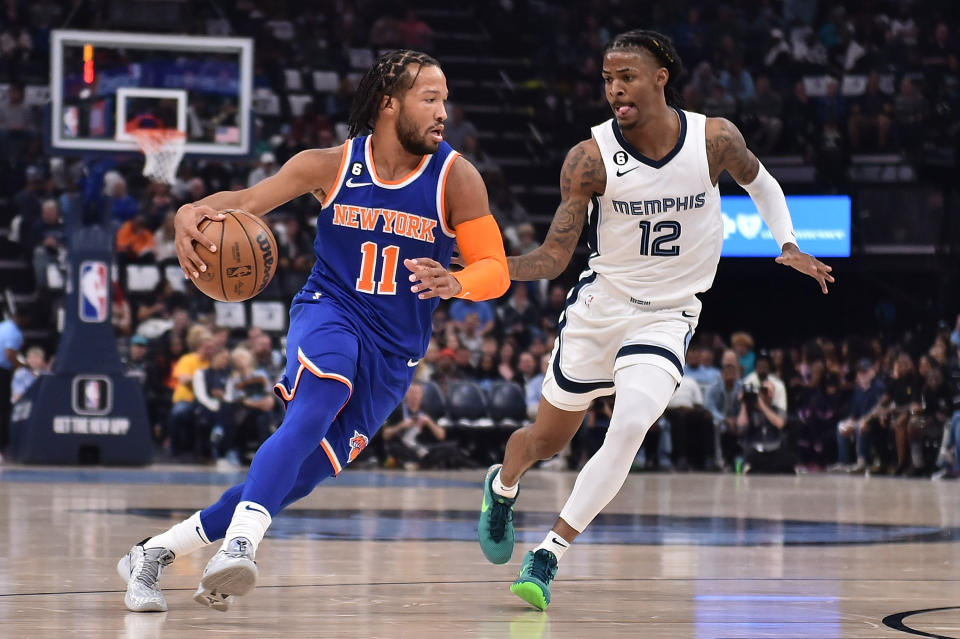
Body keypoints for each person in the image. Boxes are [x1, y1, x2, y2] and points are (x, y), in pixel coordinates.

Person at [117, 49, 509, 613]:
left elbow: (493, 269)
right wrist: (191, 211)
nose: (443, 111)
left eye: (444, 99)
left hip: (394, 354)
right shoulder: (330, 164)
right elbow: (244, 204)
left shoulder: (456, 177)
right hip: (332, 309)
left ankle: (152, 554)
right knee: (321, 395)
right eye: (430, 99)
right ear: (388, 103)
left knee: (297, 477)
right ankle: (242, 543)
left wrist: (457, 282)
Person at [475, 30, 833, 611]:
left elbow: (760, 181)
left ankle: (548, 555)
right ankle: (503, 485)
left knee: (633, 421)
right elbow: (553, 258)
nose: (615, 88)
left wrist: (787, 242)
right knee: (544, 439)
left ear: (661, 76)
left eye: (627, 76)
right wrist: (482, 269)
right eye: (608, 79)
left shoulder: (713, 138)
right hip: (602, 306)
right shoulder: (588, 158)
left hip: (668, 314)